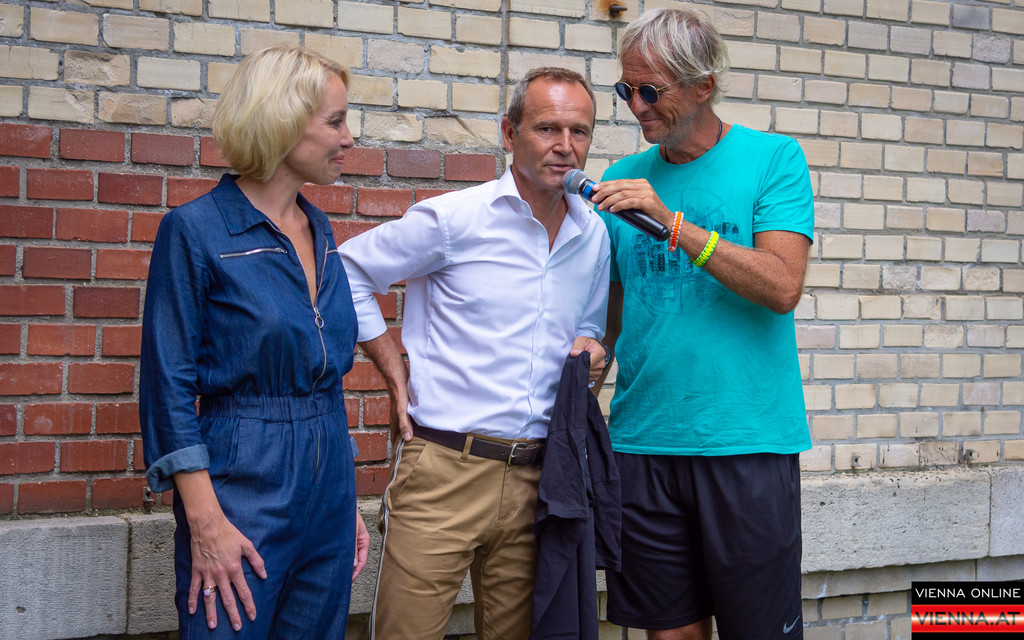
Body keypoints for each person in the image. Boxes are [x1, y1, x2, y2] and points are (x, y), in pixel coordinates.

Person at [338, 67, 611, 640]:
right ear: (510, 134)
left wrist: (593, 353)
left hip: (539, 480)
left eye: (579, 131)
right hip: (443, 471)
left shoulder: (593, 235)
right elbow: (347, 271)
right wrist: (393, 370)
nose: (566, 146)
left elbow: (587, 333)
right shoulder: (454, 218)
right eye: (547, 128)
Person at [589, 8, 814, 640]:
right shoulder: (619, 179)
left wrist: (674, 225)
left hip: (744, 444)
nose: (635, 106)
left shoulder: (773, 159)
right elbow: (611, 316)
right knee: (670, 633)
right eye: (626, 89)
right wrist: (580, 400)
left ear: (703, 86)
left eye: (650, 90)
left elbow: (782, 285)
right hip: (642, 444)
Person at [139, 46, 370, 639]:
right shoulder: (195, 231)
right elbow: (167, 388)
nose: (349, 138)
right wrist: (204, 522)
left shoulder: (320, 230)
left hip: (328, 482)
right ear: (283, 122)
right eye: (336, 121)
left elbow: (326, 376)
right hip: (242, 482)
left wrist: (341, 500)